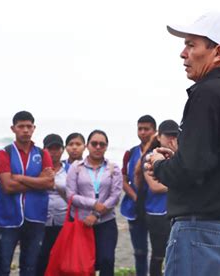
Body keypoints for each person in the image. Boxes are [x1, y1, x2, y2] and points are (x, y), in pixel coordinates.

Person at [145, 12, 220, 275]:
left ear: (218, 51)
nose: (183, 53)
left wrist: (159, 165)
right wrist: (179, 158)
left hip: (202, 236)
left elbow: (191, 170)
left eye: (191, 44)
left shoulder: (207, 93)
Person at [0, 111, 54, 276]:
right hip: (8, 217)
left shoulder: (42, 154)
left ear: (34, 128)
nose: (25, 130)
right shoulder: (4, 153)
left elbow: (49, 183)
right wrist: (37, 182)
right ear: (13, 129)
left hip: (36, 217)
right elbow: (8, 186)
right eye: (21, 126)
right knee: (2, 266)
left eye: (29, 126)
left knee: (30, 267)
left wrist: (19, 178)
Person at [66, 130, 122, 276]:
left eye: (101, 144)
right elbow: (70, 195)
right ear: (87, 146)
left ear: (106, 146)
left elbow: (115, 196)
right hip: (82, 222)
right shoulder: (77, 167)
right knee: (84, 264)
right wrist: (93, 203)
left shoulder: (113, 168)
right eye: (94, 143)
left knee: (107, 260)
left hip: (106, 222)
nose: (98, 147)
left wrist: (96, 214)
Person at [140, 120, 178, 276]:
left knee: (175, 251)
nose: (171, 139)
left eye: (175, 135)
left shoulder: (179, 157)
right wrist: (180, 186)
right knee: (158, 253)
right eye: (167, 135)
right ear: (158, 137)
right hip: (156, 212)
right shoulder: (150, 157)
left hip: (175, 211)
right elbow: (154, 187)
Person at [120, 115, 156, 276]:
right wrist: (136, 198)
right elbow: (124, 180)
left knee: (159, 252)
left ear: (154, 131)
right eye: (140, 129)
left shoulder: (159, 152)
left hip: (157, 209)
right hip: (135, 209)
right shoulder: (131, 153)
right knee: (139, 251)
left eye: (146, 129)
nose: (142, 132)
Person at [36, 134, 71, 276]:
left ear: (63, 150)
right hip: (41, 220)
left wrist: (54, 185)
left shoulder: (70, 169)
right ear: (44, 150)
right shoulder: (38, 168)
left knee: (61, 258)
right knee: (41, 257)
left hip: (63, 220)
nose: (54, 152)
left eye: (57, 148)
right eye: (50, 148)